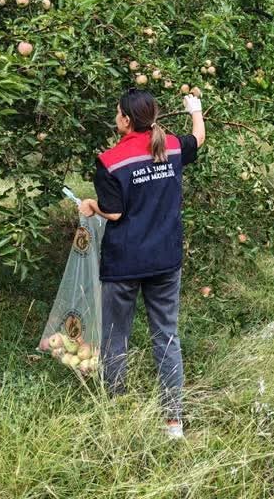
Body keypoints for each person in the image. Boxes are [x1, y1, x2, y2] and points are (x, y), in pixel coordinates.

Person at [79, 88, 205, 439]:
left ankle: (116, 410)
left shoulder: (109, 161)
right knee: (166, 335)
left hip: (124, 263)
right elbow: (198, 137)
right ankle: (173, 420)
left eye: (117, 112)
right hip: (165, 260)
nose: (115, 116)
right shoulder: (172, 148)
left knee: (115, 336)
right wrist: (195, 109)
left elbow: (115, 212)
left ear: (127, 119)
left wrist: (91, 205)